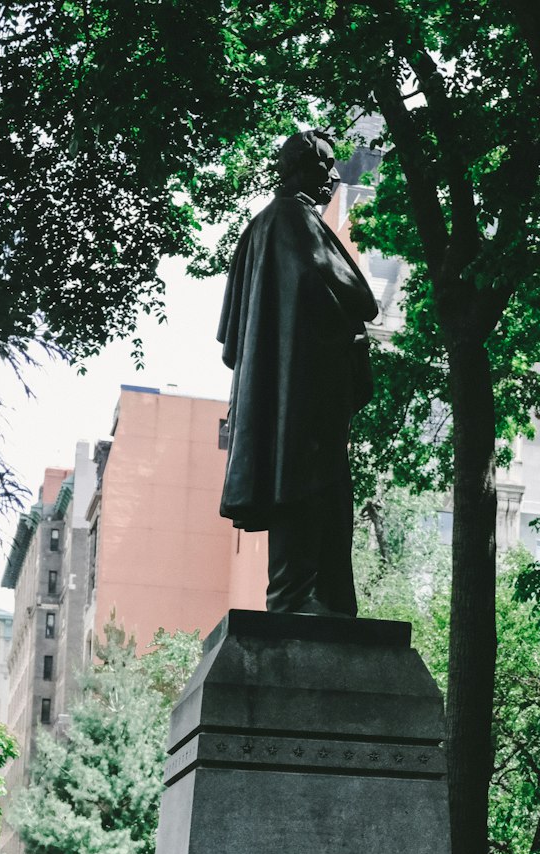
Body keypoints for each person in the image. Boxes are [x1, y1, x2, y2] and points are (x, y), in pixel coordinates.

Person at [218, 128, 379, 617]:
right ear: (298, 171)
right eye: (324, 164)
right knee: (311, 488)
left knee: (296, 487)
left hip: (277, 397)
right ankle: (303, 598)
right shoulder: (297, 220)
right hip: (305, 396)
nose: (332, 175)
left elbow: (233, 338)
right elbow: (358, 298)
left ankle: (300, 597)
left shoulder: (256, 231)